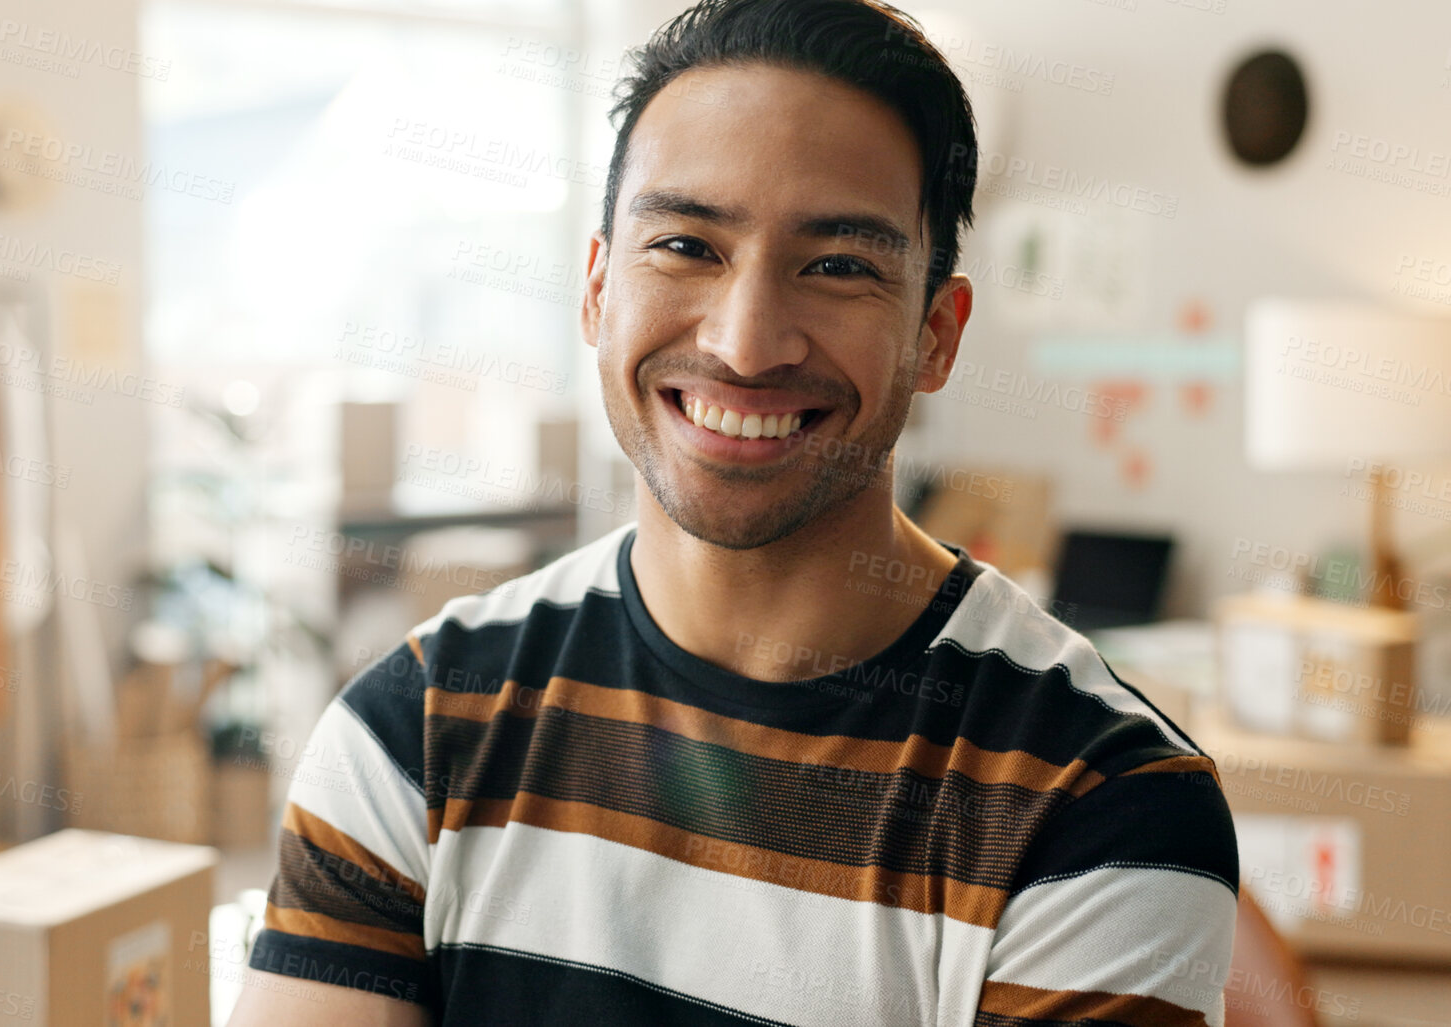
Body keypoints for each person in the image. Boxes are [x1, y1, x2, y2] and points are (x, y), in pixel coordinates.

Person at [229, 0, 1238, 1023]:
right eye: (685, 245)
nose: (747, 342)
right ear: (595, 289)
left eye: (838, 265)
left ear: (936, 333)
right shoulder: (415, 730)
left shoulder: (1101, 801)